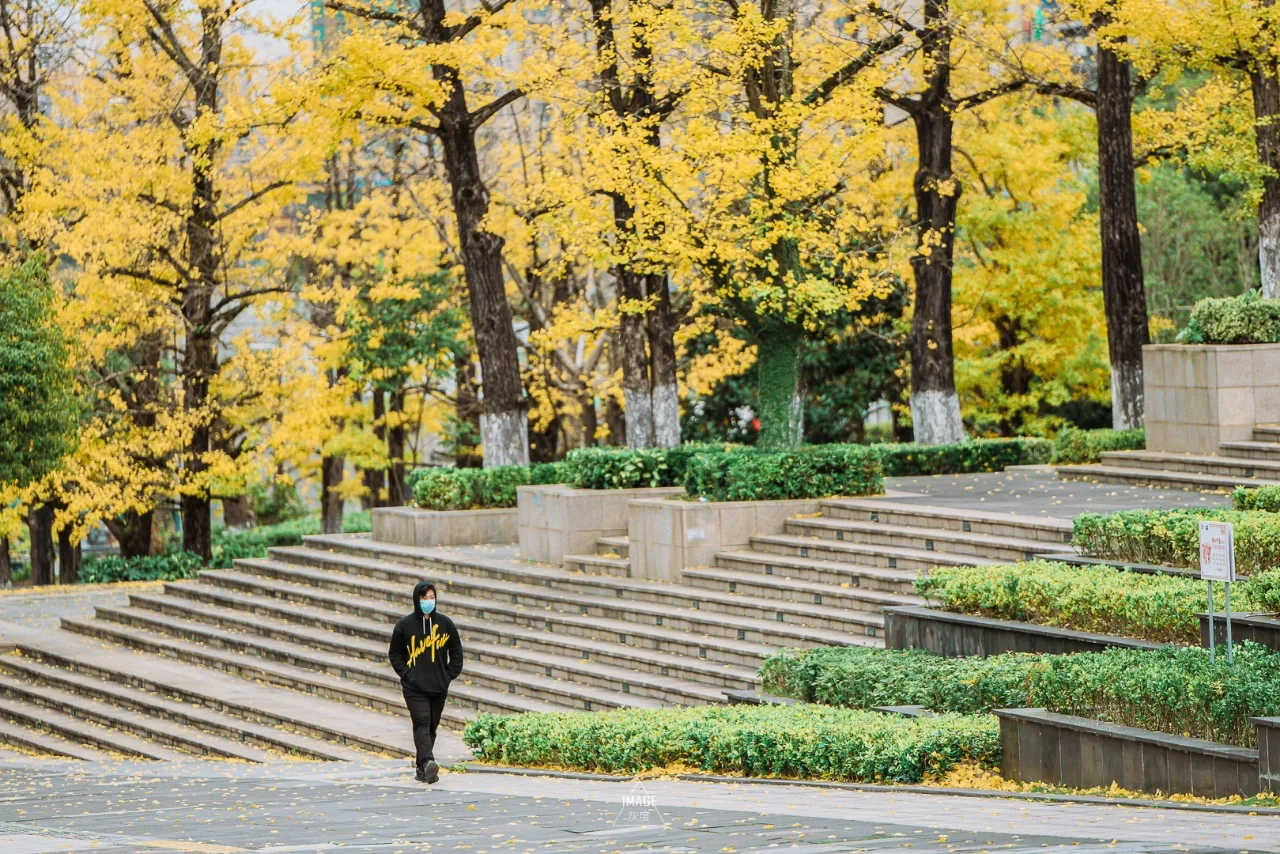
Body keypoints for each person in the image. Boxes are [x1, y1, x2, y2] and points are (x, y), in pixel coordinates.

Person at [388, 580, 463, 783]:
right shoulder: (403, 626)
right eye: (424, 598)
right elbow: (394, 654)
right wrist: (408, 675)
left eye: (432, 597)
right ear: (416, 599)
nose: (428, 601)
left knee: (431, 727)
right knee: (421, 722)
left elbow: (456, 654)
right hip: (414, 687)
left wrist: (447, 676)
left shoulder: (446, 624)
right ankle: (429, 761)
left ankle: (422, 769)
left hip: (438, 686)